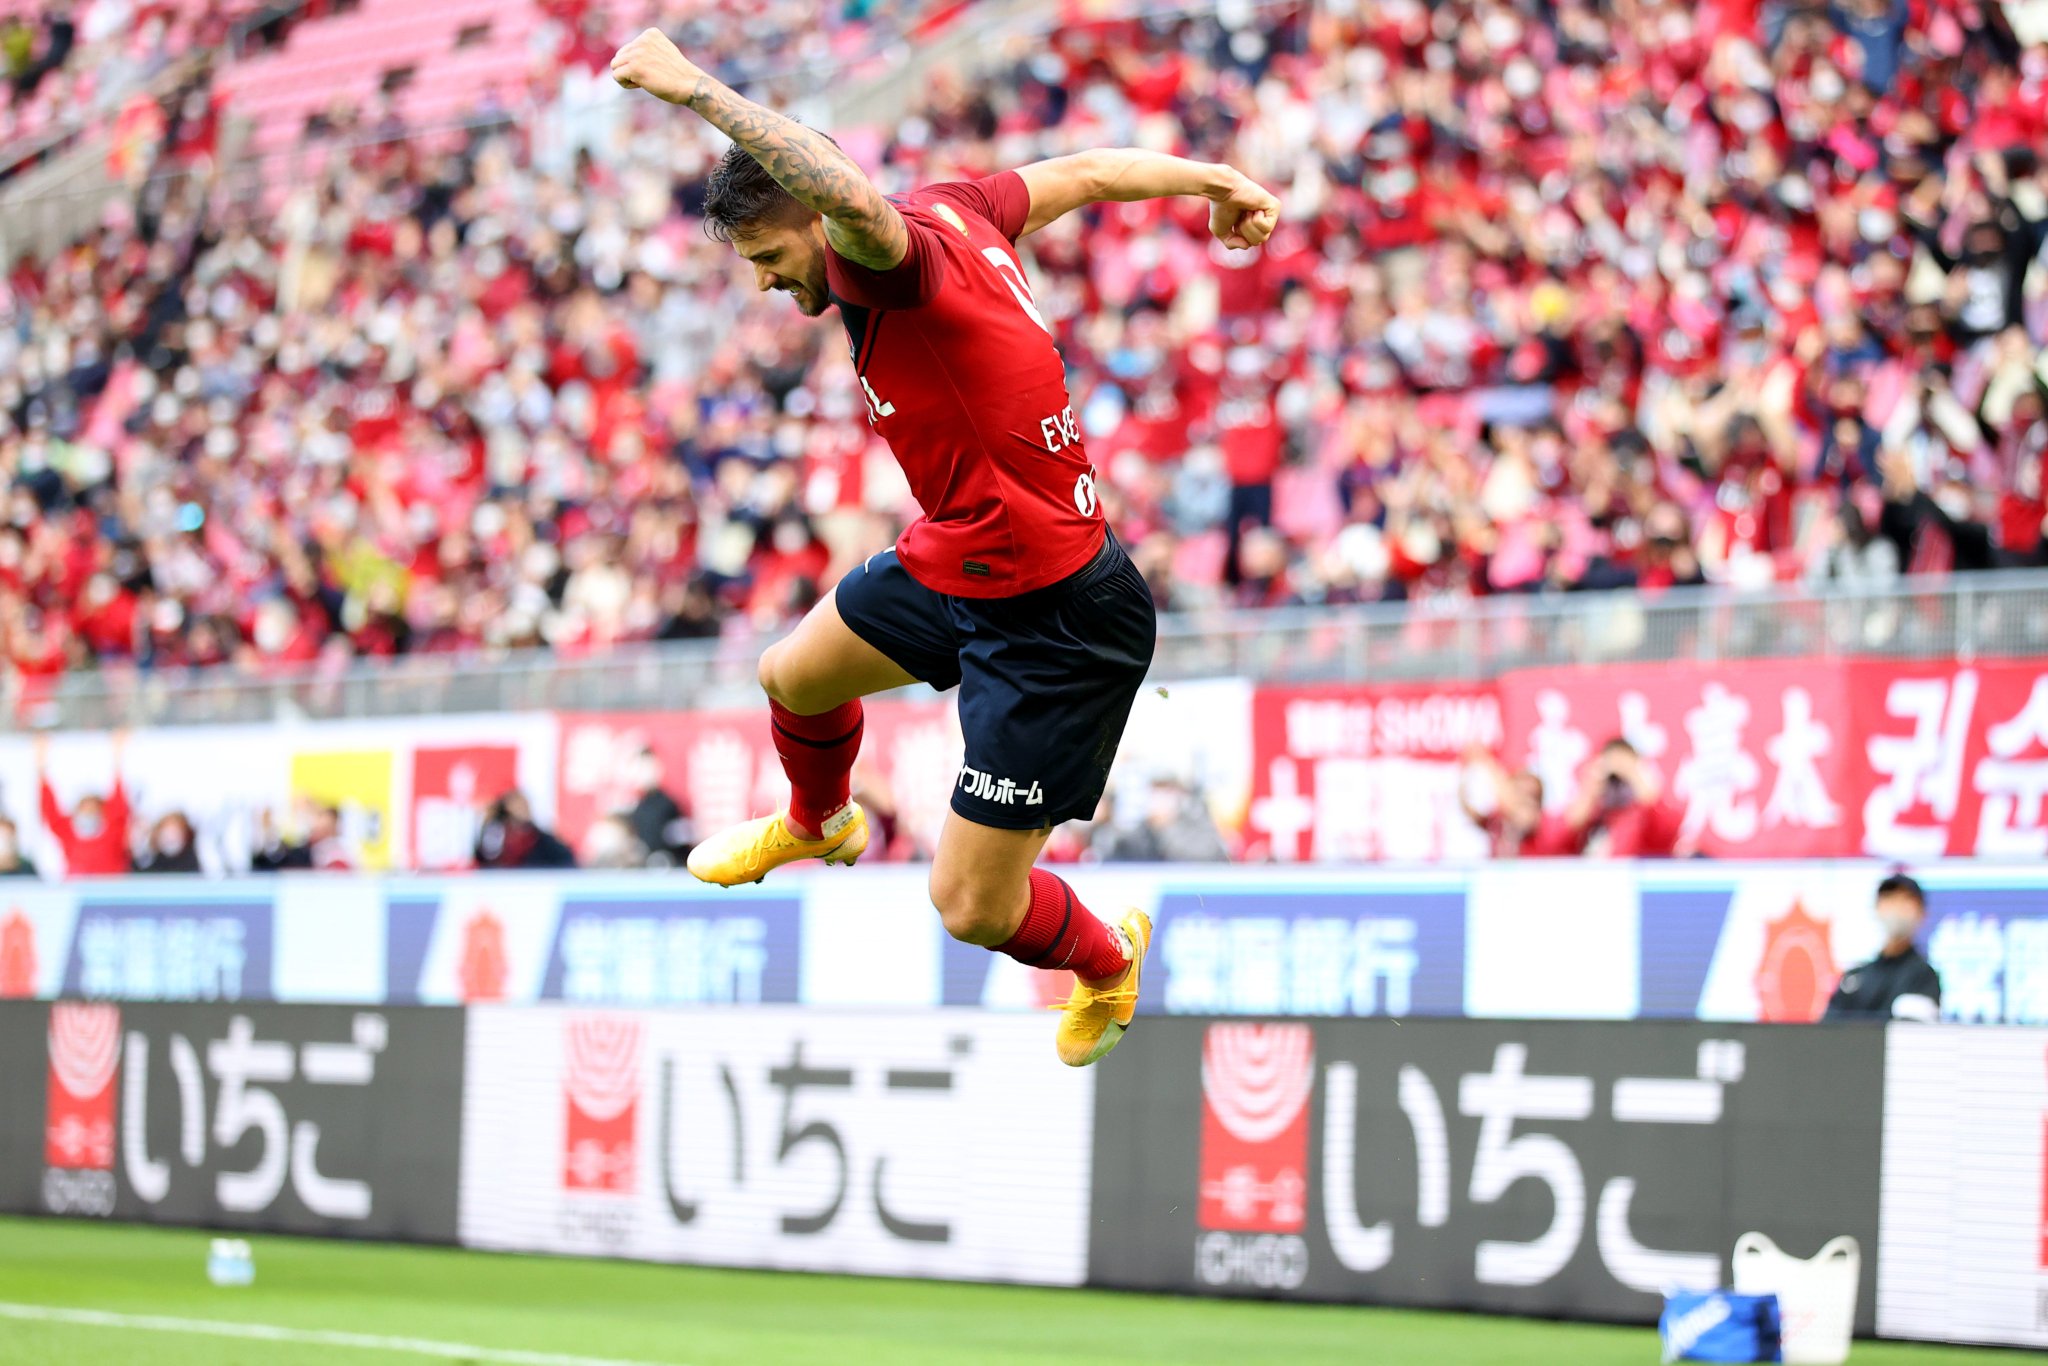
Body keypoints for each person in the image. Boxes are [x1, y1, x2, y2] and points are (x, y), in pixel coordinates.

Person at [611, 28, 1279, 1066]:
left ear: (813, 220)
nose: (763, 283)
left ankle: (1106, 959)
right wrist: (1211, 180)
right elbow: (1093, 171)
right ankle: (818, 820)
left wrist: (694, 87)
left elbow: (847, 196)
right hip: (960, 559)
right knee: (792, 673)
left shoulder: (887, 257)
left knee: (968, 903)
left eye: (766, 257)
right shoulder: (962, 205)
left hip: (1055, 614)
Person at [1823, 874, 1943, 1022]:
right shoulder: (1854, 978)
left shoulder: (1923, 977)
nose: (1896, 906)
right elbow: (1827, 1032)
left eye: (1905, 899)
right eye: (1889, 898)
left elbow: (1911, 1034)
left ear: (1921, 912)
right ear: (1877, 907)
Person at [1563, 737, 1683, 859]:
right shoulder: (1596, 811)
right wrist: (1590, 789)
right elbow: (1567, 832)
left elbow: (1667, 830)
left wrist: (1636, 777)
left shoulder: (1644, 815)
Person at [35, 733, 132, 876]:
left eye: (93, 808)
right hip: (76, 892)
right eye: (84, 808)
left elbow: (120, 807)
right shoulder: (68, 831)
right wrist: (41, 766)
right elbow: (50, 810)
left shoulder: (113, 832)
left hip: (111, 893)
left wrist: (118, 758)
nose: (88, 812)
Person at [1459, 746, 1575, 858]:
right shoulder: (1498, 821)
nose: (1525, 800)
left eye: (1532, 796)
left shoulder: (1547, 829)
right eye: (1519, 792)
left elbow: (1522, 817)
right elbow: (1472, 812)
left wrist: (1486, 761)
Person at [1095, 774, 1232, 863]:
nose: (1158, 798)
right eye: (1155, 791)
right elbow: (1114, 852)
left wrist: (1166, 828)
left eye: (1166, 791)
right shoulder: (1143, 829)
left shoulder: (1195, 820)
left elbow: (1209, 854)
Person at [623, 749, 692, 868]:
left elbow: (682, 840)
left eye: (647, 768)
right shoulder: (637, 808)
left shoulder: (668, 804)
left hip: (670, 866)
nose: (644, 774)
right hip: (644, 868)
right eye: (640, 769)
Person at [474, 791, 577, 870]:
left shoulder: (541, 840)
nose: (522, 809)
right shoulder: (495, 837)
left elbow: (566, 861)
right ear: (506, 809)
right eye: (517, 805)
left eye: (524, 805)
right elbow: (484, 861)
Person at [133, 813, 202, 874]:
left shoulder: (190, 861)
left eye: (176, 834)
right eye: (167, 835)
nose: (171, 839)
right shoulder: (149, 859)